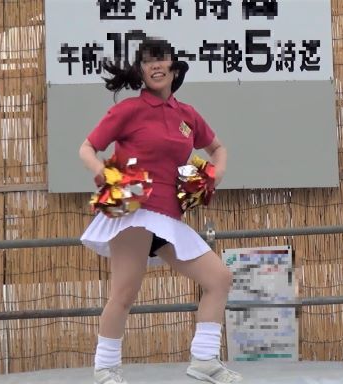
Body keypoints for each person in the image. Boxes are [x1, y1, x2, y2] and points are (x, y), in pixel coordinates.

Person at [79, 37, 241, 384]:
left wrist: (214, 174)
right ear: (140, 70)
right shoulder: (128, 110)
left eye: (161, 58)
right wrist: (104, 175)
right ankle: (105, 369)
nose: (155, 65)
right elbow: (88, 147)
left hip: (170, 217)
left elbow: (218, 148)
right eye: (147, 61)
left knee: (219, 278)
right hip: (135, 210)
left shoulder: (187, 115)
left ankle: (205, 360)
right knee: (124, 292)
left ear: (173, 66)